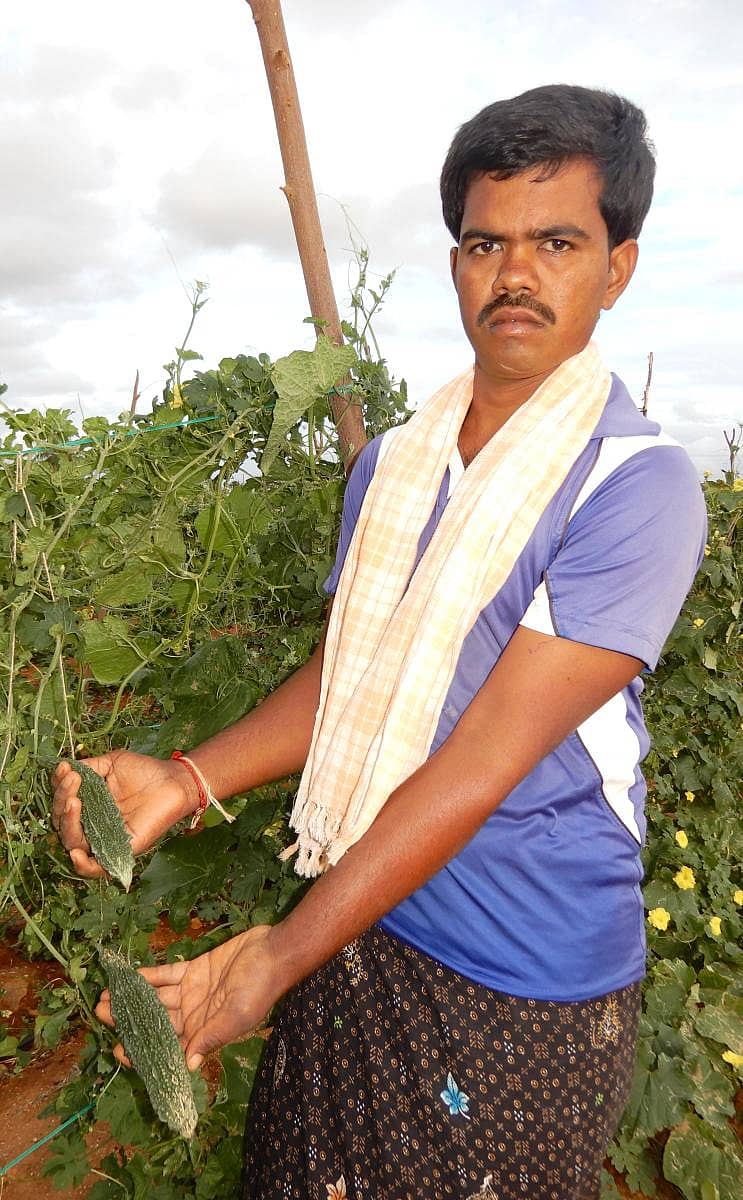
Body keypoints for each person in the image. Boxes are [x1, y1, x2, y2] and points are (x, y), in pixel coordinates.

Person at [53, 84, 706, 1200]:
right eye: (483, 242)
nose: (513, 274)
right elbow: (352, 674)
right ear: (454, 261)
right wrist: (187, 775)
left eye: (556, 242)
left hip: (515, 971)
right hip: (356, 910)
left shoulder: (635, 485)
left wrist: (273, 955)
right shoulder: (392, 466)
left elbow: (479, 761)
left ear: (616, 266)